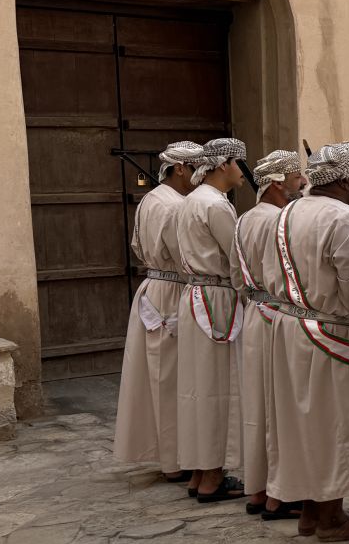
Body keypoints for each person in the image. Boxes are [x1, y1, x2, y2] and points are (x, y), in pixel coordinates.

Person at [271, 142, 349, 540]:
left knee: (304, 424)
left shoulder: (288, 211)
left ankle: (311, 510)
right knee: (335, 422)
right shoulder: (348, 220)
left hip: (290, 325)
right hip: (331, 331)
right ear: (344, 180)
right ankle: (331, 516)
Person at [113, 140, 202, 481]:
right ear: (180, 169)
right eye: (196, 169)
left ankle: (174, 455)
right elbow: (184, 256)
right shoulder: (176, 206)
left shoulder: (150, 199)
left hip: (154, 287)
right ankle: (177, 459)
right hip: (172, 290)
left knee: (161, 376)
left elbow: (138, 245)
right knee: (171, 378)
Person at [233, 149, 305, 517]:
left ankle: (260, 489)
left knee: (257, 406)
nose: (303, 182)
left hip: (253, 314)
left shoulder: (244, 219)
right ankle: (281, 494)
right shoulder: (281, 221)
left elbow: (236, 276)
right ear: (277, 183)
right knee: (280, 409)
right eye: (296, 177)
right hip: (277, 316)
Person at [175, 137, 247, 502]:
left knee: (196, 387)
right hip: (215, 298)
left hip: (194, 295)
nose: (242, 171)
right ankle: (212, 476)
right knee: (216, 387)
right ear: (224, 165)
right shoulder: (216, 204)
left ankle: (199, 471)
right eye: (238, 163)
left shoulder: (190, 200)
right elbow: (236, 258)